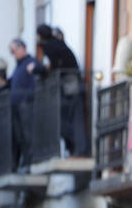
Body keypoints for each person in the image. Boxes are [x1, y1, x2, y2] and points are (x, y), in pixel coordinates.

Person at [36, 24, 85, 157]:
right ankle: (76, 149)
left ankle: (75, 148)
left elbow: (55, 65)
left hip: (68, 85)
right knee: (72, 118)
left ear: (40, 36)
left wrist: (45, 70)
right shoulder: (59, 44)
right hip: (74, 83)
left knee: (64, 120)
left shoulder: (49, 46)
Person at [7, 39, 38, 171]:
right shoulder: (18, 67)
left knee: (26, 134)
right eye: (11, 52)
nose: (13, 54)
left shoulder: (31, 62)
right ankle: (21, 162)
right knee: (18, 135)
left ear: (22, 48)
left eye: (14, 51)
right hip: (16, 105)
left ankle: (28, 161)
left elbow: (40, 69)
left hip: (25, 104)